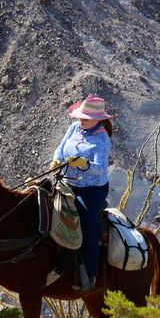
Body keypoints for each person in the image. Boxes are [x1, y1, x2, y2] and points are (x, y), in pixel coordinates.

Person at [50, 94, 112, 289]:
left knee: (86, 222)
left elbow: (101, 168)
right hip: (68, 182)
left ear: (98, 119)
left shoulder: (102, 139)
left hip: (92, 190)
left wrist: (84, 164)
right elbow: (60, 148)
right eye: (80, 117)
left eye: (85, 118)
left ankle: (89, 275)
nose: (81, 120)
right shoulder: (75, 127)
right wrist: (56, 160)